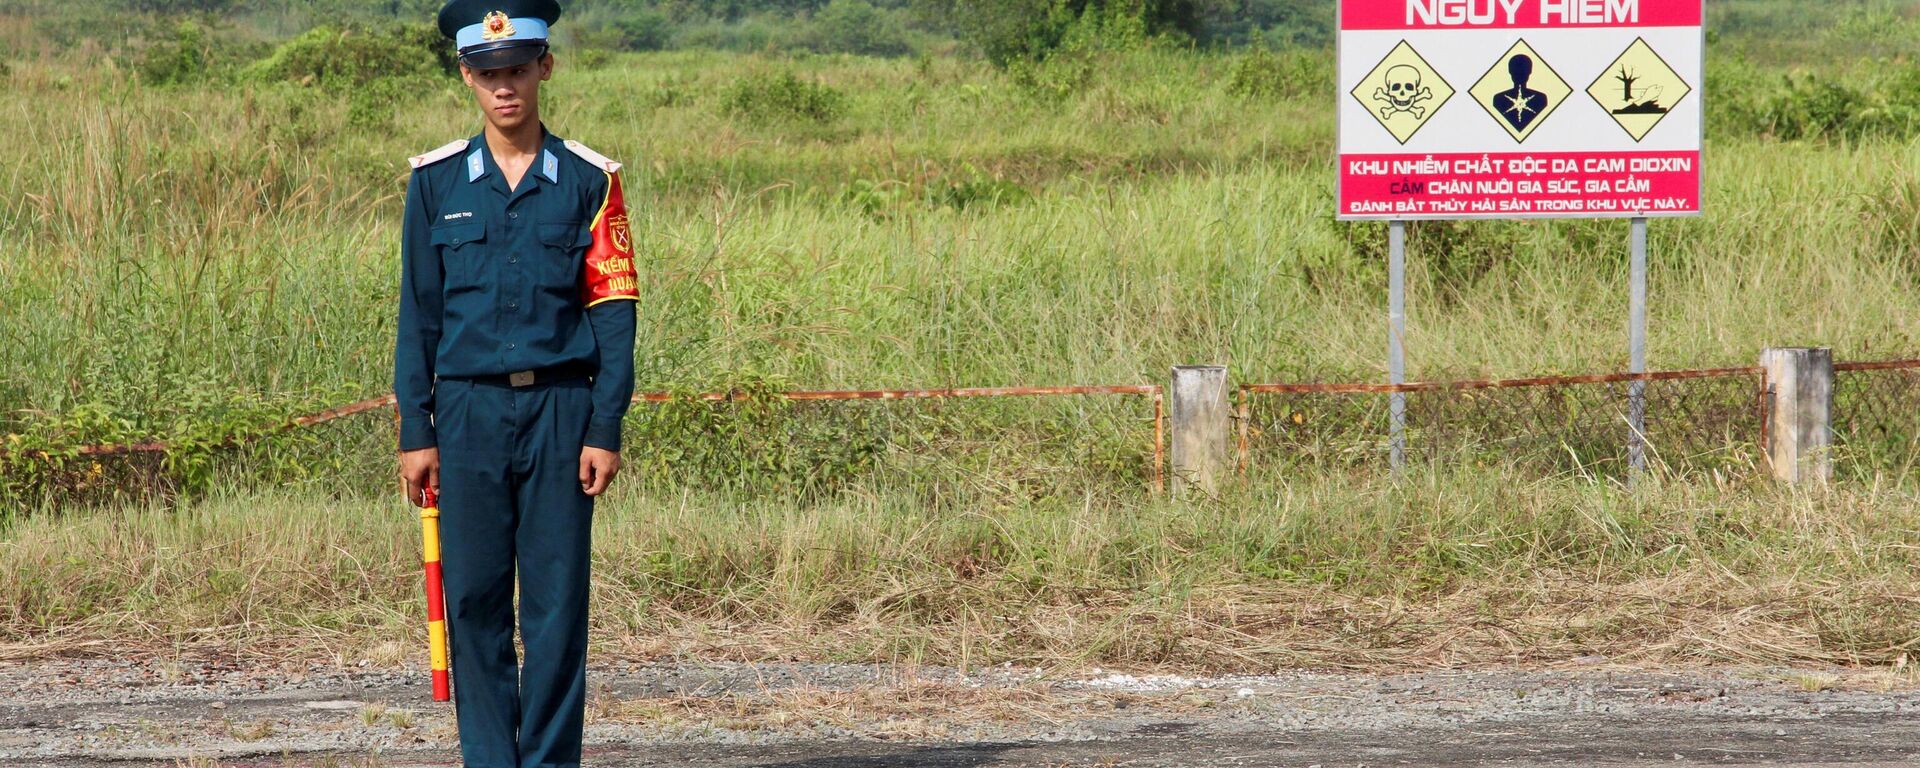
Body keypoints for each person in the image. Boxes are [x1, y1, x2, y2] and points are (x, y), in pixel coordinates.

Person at [394, 1, 639, 765]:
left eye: (518, 70)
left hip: (562, 412)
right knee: (471, 602)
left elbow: (616, 313)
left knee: (558, 606)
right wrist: (417, 431)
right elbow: (418, 315)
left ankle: (551, 760)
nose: (505, 87)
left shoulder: (589, 181)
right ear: (468, 77)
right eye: (488, 73)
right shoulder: (435, 183)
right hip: (466, 413)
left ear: (544, 69)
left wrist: (606, 426)